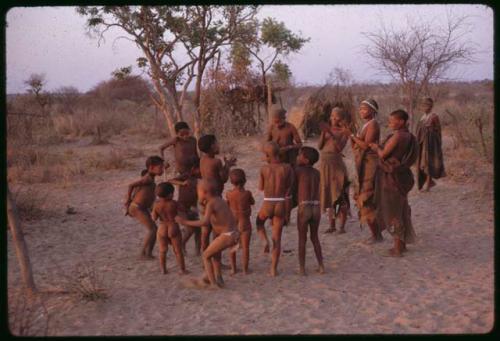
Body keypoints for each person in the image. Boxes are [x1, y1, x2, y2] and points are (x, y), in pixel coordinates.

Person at [369, 109, 418, 257]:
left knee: (393, 211)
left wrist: (376, 147)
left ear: (401, 121)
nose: (390, 123)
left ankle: (397, 249)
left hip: (392, 178)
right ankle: (401, 245)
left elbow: (384, 154)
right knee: (401, 209)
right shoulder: (409, 136)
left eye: (392, 120)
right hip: (401, 176)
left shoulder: (398, 136)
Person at [176, 179, 240, 289]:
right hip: (232, 233)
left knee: (205, 256)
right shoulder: (218, 200)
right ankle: (218, 279)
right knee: (215, 255)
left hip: (227, 235)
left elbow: (205, 222)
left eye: (198, 192)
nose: (197, 194)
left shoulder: (211, 203)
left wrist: (185, 222)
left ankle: (213, 284)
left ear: (204, 192)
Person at [340, 99, 382, 243]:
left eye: (365, 109)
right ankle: (376, 234)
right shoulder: (365, 125)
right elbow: (356, 147)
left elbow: (365, 146)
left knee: (366, 197)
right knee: (363, 198)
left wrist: (351, 135)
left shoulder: (373, 125)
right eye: (360, 109)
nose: (361, 111)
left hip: (370, 165)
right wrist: (350, 135)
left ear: (372, 111)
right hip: (362, 164)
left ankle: (377, 235)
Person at [256, 141, 294, 277]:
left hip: (268, 202)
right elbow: (289, 189)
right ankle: (273, 269)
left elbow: (261, 187)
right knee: (277, 239)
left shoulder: (264, 169)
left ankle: (264, 240)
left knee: (259, 222)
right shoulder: (287, 168)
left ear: (267, 155)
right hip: (281, 203)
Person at [197, 134, 237, 251]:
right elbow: (223, 179)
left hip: (203, 197)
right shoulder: (216, 161)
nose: (218, 145)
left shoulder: (202, 160)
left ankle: (205, 257)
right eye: (216, 143)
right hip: (214, 199)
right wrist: (227, 166)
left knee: (205, 231)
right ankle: (215, 259)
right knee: (217, 231)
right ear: (211, 147)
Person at [266, 106, 302, 224]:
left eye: (278, 120)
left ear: (283, 118)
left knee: (288, 191)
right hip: (275, 163)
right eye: (274, 121)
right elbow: (267, 143)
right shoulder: (271, 128)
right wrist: (271, 150)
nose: (277, 123)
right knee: (275, 190)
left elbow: (299, 144)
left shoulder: (290, 127)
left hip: (288, 163)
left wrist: (288, 148)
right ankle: (274, 217)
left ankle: (287, 217)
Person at [125, 156, 166, 259]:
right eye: (160, 167)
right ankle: (143, 253)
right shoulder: (147, 178)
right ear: (151, 167)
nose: (162, 170)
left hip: (142, 208)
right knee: (152, 229)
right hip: (137, 207)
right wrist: (128, 200)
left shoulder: (151, 178)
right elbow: (131, 185)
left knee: (154, 229)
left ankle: (148, 253)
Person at [318, 107, 351, 234]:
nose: (333, 118)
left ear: (342, 118)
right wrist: (324, 133)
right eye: (332, 116)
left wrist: (331, 134)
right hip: (325, 164)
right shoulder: (327, 131)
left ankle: (341, 226)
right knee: (329, 195)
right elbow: (320, 146)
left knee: (338, 195)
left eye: (337, 116)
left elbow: (338, 148)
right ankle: (332, 225)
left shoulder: (344, 132)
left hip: (336, 165)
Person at [294, 147, 325, 276]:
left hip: (304, 206)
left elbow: (294, 189)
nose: (297, 157)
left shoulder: (298, 171)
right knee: (315, 237)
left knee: (302, 239)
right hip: (316, 206)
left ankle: (302, 268)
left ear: (306, 160)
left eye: (299, 155)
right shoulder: (317, 173)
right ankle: (321, 266)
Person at [167, 156, 202, 256]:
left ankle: (197, 251)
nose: (201, 171)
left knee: (198, 230)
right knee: (190, 228)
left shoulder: (200, 178)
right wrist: (182, 183)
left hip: (193, 207)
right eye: (199, 169)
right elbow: (171, 180)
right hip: (181, 207)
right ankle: (182, 244)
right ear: (194, 168)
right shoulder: (187, 175)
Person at [151, 182, 188, 274]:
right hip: (173, 227)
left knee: (162, 250)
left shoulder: (156, 205)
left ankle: (163, 269)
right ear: (171, 194)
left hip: (162, 228)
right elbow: (183, 211)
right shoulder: (174, 203)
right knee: (178, 250)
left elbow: (154, 218)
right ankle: (182, 269)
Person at [225, 168, 255, 275]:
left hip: (233, 222)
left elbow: (227, 205)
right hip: (245, 222)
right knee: (245, 247)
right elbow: (252, 202)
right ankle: (245, 269)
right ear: (245, 180)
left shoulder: (229, 194)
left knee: (232, 246)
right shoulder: (247, 193)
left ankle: (233, 269)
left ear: (231, 182)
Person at [416, 97, 446, 191]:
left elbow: (438, 131)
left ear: (431, 106)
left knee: (428, 163)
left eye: (427, 105)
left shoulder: (434, 117)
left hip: (431, 145)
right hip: (422, 142)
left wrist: (430, 131)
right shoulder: (422, 117)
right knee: (422, 163)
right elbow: (419, 129)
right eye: (423, 105)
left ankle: (429, 183)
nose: (425, 107)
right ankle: (428, 182)